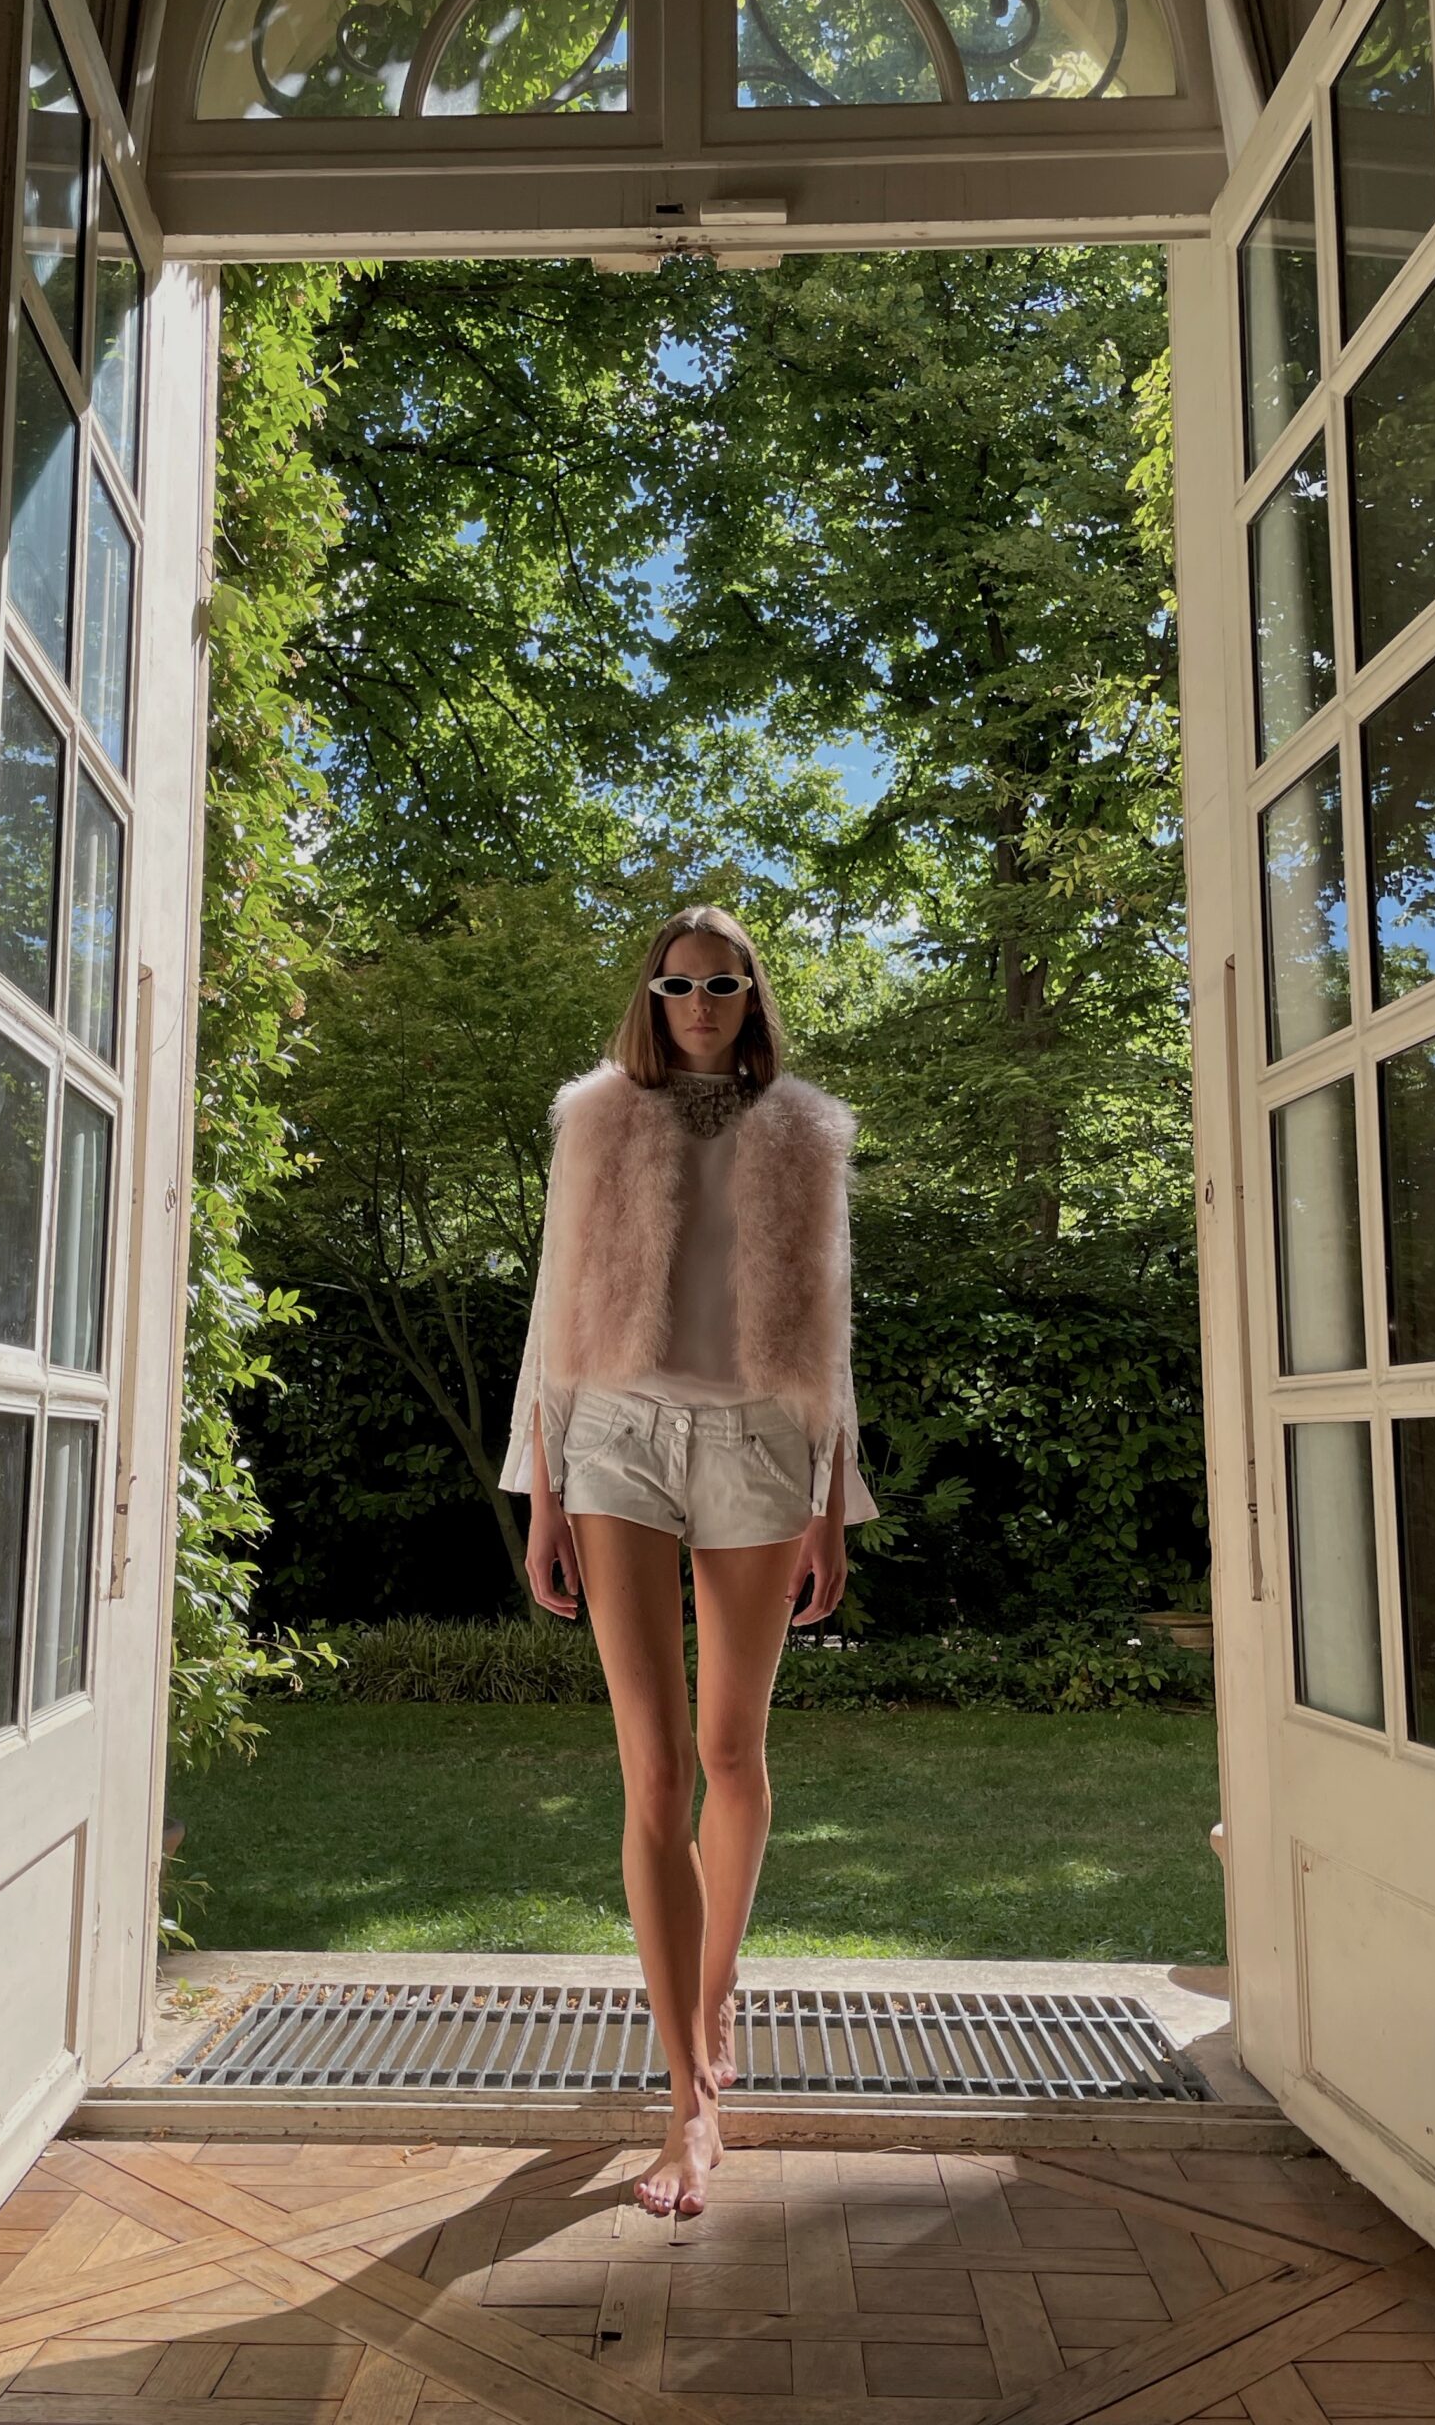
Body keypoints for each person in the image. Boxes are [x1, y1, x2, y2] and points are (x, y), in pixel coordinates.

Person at [498, 901, 878, 2219]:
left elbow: (831, 1325)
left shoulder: (807, 1132)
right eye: (678, 984)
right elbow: (552, 1305)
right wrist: (542, 1492)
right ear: (652, 998)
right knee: (653, 1770)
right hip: (614, 1437)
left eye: (722, 983)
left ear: (751, 996)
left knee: (730, 1755)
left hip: (763, 1447)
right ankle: (686, 2101)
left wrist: (832, 1498)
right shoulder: (597, 1119)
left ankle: (715, 1999)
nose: (700, 1003)